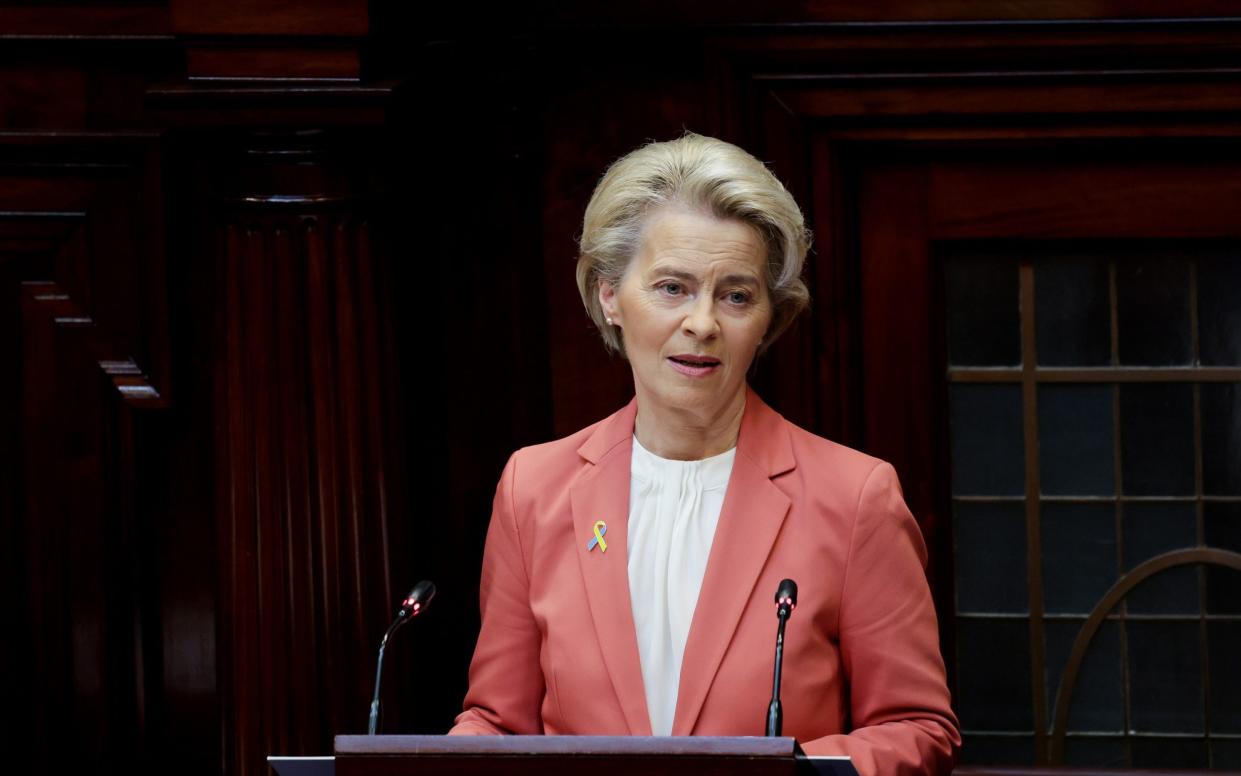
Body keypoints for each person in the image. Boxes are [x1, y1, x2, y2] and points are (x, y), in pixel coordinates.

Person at [448, 131, 961, 775]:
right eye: (671, 287)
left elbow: (917, 728)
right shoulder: (534, 487)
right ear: (610, 296)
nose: (703, 323)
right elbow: (498, 719)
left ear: (768, 318)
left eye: (736, 295)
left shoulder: (855, 497)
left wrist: (793, 772)